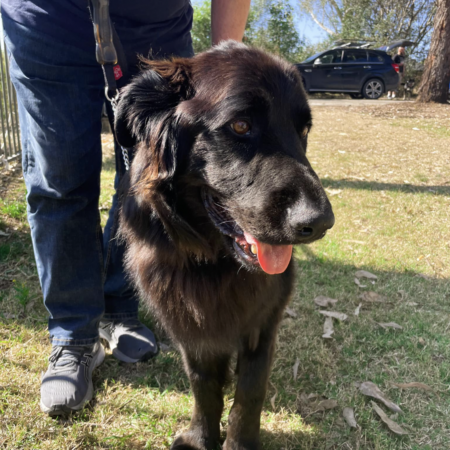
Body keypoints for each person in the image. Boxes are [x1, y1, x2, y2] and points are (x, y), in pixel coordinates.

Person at [1, 0, 250, 416]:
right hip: (47, 18)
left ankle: (121, 307)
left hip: (156, 22)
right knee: (57, 180)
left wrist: (225, 56)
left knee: (150, 177)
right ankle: (73, 336)